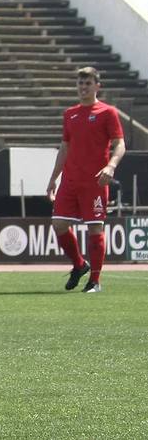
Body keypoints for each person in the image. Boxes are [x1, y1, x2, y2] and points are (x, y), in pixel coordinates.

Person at [46, 66, 125, 294]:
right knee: (59, 224)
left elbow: (120, 144)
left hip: (95, 182)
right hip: (70, 181)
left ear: (97, 86)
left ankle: (95, 281)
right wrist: (53, 178)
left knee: (95, 229)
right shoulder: (69, 114)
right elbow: (64, 148)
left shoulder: (108, 112)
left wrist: (111, 166)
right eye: (80, 84)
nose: (83, 87)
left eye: (88, 83)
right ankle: (80, 265)